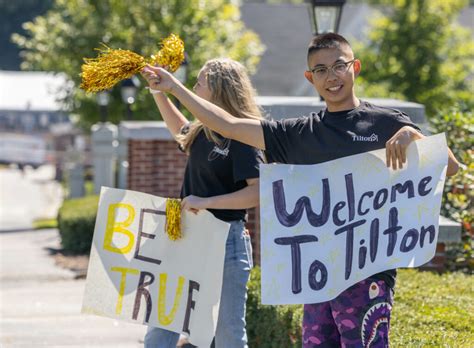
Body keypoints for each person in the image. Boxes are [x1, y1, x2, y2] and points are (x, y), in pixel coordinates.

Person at [141, 33, 460, 347]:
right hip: (317, 274)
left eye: (339, 66)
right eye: (320, 70)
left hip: (369, 273)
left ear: (355, 67)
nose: (331, 77)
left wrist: (411, 136)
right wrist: (171, 88)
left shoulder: (386, 122)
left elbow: (451, 166)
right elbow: (228, 124)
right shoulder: (299, 133)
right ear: (310, 78)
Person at [141, 58, 262, 348]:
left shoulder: (243, 135)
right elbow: (180, 130)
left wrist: (206, 201)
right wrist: (158, 92)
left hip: (227, 243)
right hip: (186, 236)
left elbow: (257, 193)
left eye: (200, 81)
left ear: (219, 88)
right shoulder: (201, 130)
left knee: (228, 335)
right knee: (161, 325)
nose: (195, 85)